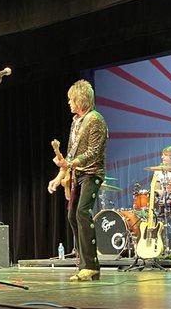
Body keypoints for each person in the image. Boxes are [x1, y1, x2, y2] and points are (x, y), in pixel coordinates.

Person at [48, 79, 107, 281]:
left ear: (81, 99)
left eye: (71, 99)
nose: (69, 103)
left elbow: (94, 152)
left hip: (92, 173)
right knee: (72, 215)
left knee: (82, 212)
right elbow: (70, 156)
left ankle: (91, 265)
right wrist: (59, 177)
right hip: (78, 174)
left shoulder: (95, 119)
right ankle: (84, 262)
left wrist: (70, 164)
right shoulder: (76, 122)